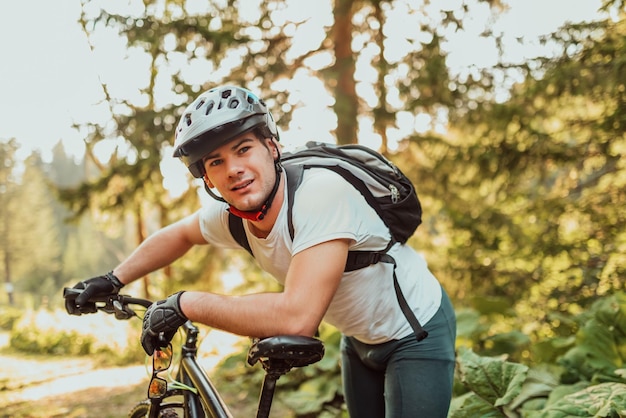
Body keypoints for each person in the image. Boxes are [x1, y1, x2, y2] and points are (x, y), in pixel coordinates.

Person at [64, 85, 457, 417]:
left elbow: (298, 317)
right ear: (208, 177)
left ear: (272, 147)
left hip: (415, 331)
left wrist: (186, 303)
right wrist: (113, 279)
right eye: (216, 161)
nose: (233, 168)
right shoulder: (234, 215)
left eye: (243, 149)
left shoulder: (320, 195)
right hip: (357, 339)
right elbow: (179, 234)